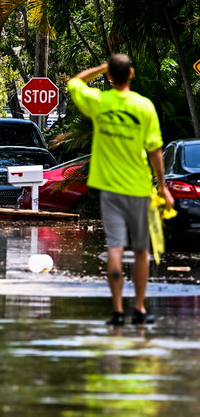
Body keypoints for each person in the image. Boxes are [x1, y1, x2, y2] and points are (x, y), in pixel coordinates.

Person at [67, 54, 174, 326]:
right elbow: (155, 150)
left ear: (110, 76)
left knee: (115, 247)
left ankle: (116, 311)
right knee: (141, 251)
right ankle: (138, 309)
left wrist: (103, 68)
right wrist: (163, 187)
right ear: (131, 74)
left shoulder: (100, 103)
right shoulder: (144, 107)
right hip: (138, 188)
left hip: (109, 189)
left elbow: (76, 82)